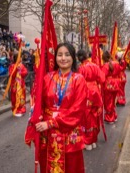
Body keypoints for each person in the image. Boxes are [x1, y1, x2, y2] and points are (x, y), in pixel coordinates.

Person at [35, 43, 87, 173]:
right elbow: (39, 103)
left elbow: (78, 110)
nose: (63, 58)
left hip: (68, 133)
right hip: (48, 134)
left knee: (71, 167)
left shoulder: (78, 79)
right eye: (59, 55)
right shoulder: (48, 78)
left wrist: (51, 123)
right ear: (55, 58)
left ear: (73, 58)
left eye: (67, 55)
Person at [77, 49, 105, 151]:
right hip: (95, 92)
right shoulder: (95, 66)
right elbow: (102, 79)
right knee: (95, 115)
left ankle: (87, 141)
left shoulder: (81, 68)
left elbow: (78, 83)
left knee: (86, 117)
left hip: (85, 93)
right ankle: (93, 140)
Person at [100, 51, 121, 124]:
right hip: (116, 83)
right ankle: (114, 116)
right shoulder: (116, 63)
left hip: (109, 85)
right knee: (113, 101)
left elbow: (102, 76)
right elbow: (120, 72)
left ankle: (110, 118)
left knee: (108, 102)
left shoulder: (106, 65)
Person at [9, 53, 28, 117]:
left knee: (22, 97)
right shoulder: (12, 66)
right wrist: (16, 69)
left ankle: (22, 109)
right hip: (15, 84)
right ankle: (16, 109)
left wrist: (20, 72)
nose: (21, 58)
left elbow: (25, 72)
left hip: (21, 84)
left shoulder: (21, 65)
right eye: (20, 57)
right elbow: (12, 74)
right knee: (14, 97)